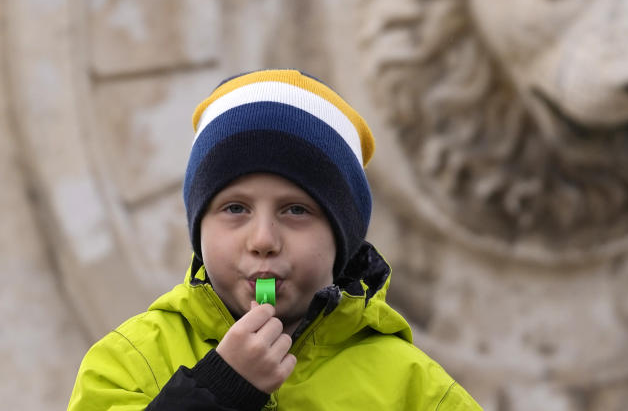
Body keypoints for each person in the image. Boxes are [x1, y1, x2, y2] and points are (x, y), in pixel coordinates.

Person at [67, 68, 481, 410]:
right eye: (235, 209)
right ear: (198, 228)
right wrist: (219, 389)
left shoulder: (410, 388)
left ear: (342, 237)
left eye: (296, 210)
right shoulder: (130, 361)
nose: (263, 239)